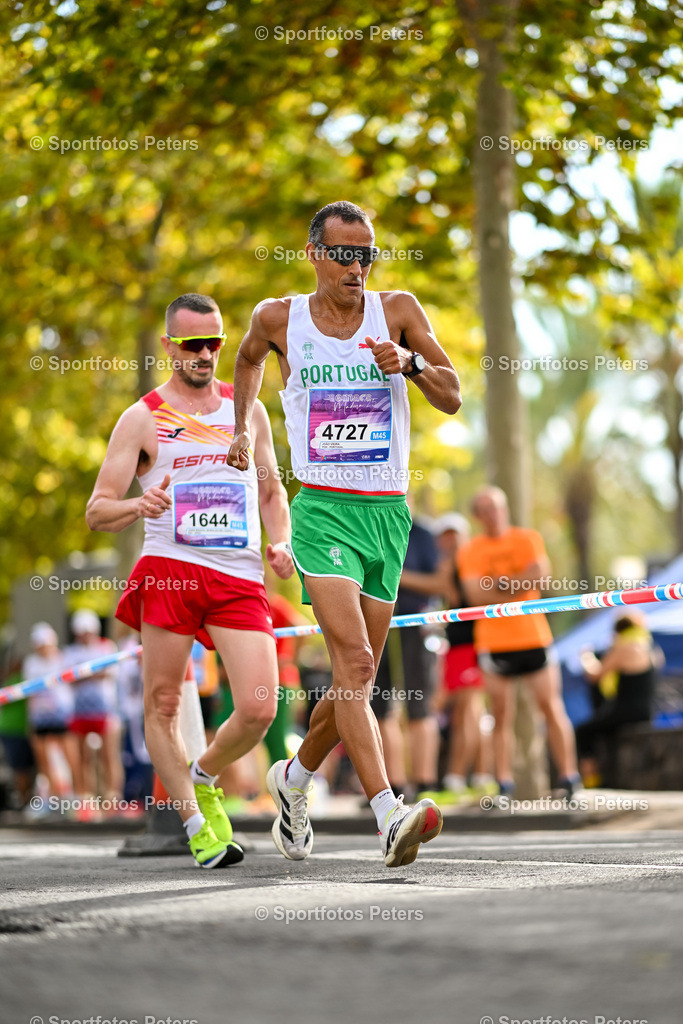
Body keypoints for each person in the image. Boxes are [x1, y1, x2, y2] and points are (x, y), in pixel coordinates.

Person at [228, 200, 461, 867]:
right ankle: (388, 813)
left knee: (346, 682)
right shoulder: (279, 318)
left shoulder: (400, 311)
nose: (358, 266)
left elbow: (452, 394)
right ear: (315, 254)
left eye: (367, 254)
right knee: (357, 666)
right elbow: (246, 361)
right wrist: (244, 427)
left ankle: (292, 780)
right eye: (344, 254)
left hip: (387, 513)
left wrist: (410, 367)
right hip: (323, 509)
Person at [86, 292, 294, 868]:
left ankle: (203, 774)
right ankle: (198, 824)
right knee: (162, 701)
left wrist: (283, 542)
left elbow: (274, 493)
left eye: (214, 343)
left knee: (258, 707)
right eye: (192, 344)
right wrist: (138, 504)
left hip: (237, 573)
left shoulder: (247, 409)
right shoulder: (142, 417)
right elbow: (97, 509)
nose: (205, 354)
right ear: (169, 347)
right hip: (171, 572)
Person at [457, 486, 580, 797]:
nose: (492, 513)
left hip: (533, 637)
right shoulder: (470, 550)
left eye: (496, 506)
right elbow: (475, 595)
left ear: (505, 508)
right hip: (494, 643)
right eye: (484, 508)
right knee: (501, 715)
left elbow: (541, 577)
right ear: (477, 516)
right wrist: (519, 583)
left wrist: (501, 584)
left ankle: (569, 778)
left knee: (551, 707)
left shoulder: (527, 538)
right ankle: (503, 783)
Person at [400, 513, 494, 798]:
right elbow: (451, 598)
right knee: (465, 710)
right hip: (454, 645)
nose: (449, 541)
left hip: (474, 644)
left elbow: (460, 595)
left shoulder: (471, 562)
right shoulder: (451, 564)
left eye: (454, 535)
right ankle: (473, 776)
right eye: (445, 536)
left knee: (470, 709)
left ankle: (463, 776)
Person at [370, 517, 441, 799]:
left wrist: (397, 576)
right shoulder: (372, 525)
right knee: (379, 706)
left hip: (415, 626)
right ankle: (393, 786)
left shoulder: (423, 534)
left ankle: (426, 784)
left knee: (419, 704)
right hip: (378, 623)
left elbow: (440, 582)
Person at [576, 611, 661, 786]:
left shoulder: (625, 646)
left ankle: (590, 780)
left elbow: (595, 675)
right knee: (603, 729)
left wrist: (586, 657)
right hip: (647, 711)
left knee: (583, 731)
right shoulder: (651, 648)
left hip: (626, 711)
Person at [23, 622, 78, 803]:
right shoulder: (31, 663)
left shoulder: (63, 658)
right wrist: (30, 720)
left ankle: (77, 796)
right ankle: (54, 797)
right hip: (40, 717)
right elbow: (29, 694)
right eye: (40, 645)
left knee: (71, 757)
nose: (43, 648)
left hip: (62, 715)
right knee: (43, 760)